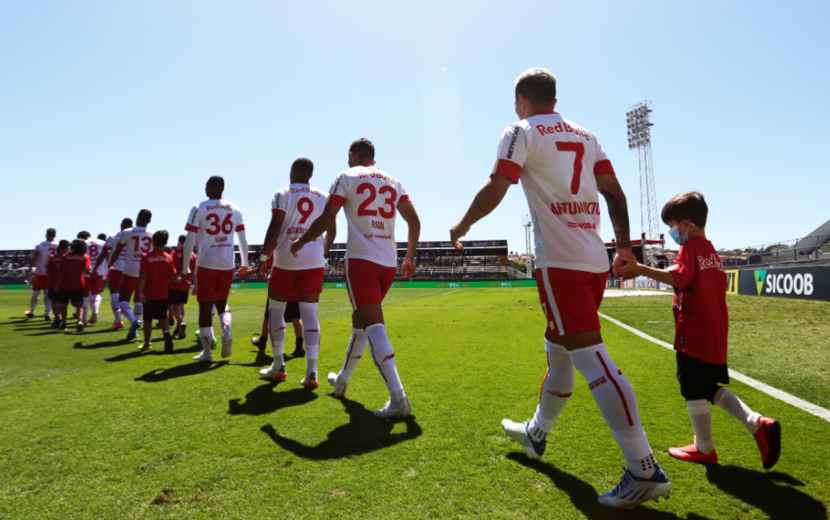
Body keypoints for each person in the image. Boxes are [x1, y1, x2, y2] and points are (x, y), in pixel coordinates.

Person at [449, 68, 671, 509]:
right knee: (559, 348)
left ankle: (643, 468)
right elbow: (614, 191)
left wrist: (463, 223)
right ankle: (536, 433)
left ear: (522, 100)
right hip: (592, 261)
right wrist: (623, 246)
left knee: (592, 358)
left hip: (562, 264)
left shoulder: (519, 131)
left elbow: (498, 186)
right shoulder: (588, 136)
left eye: (517, 103)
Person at [618, 191, 781, 470]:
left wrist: (641, 269)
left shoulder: (690, 247)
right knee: (706, 388)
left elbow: (677, 277)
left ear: (685, 225)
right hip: (715, 331)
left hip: (693, 332)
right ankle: (757, 424)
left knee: (692, 387)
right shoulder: (711, 250)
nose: (671, 232)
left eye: (671, 226)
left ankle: (705, 447)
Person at [292, 138, 420, 418]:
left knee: (374, 326)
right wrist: (408, 257)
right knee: (360, 323)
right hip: (388, 264)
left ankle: (399, 399)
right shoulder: (394, 181)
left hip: (361, 261)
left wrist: (302, 242)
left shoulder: (345, 176)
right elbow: (414, 220)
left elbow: (327, 218)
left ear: (352, 155)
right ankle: (342, 380)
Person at [254, 158, 335, 387]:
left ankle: (278, 366)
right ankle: (311, 373)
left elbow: (275, 226)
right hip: (313, 263)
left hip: (286, 262)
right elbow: (332, 229)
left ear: (296, 171)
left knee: (276, 312)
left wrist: (262, 259)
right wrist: (321, 252)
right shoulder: (322, 196)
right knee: (310, 316)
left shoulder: (282, 192)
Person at [181, 176, 248, 362]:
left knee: (204, 308)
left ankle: (207, 353)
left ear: (210, 187)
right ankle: (226, 331)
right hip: (227, 264)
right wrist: (244, 264)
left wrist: (186, 266)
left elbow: (190, 239)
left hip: (206, 263)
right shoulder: (235, 208)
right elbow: (243, 238)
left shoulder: (198, 207)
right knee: (222, 303)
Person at [250, 245, 305, 357]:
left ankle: (263, 342)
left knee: (269, 315)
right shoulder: (300, 244)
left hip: (279, 285)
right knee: (296, 317)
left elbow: (266, 265)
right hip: (295, 285)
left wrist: (248, 273)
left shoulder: (279, 244)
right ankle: (299, 347)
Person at [107, 211, 154, 341]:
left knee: (123, 301)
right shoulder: (153, 233)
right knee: (139, 300)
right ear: (149, 221)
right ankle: (135, 331)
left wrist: (109, 265)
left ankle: (133, 321)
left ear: (137, 218)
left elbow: (117, 250)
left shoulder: (127, 232)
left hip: (130, 270)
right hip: (145, 271)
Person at [137, 231, 179, 352]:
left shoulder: (146, 257)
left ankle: (147, 342)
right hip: (163, 292)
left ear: (152, 241)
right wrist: (177, 280)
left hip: (149, 293)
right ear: (166, 243)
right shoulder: (168, 257)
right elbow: (174, 276)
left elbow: (143, 276)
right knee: (162, 316)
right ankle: (166, 332)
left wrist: (139, 292)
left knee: (147, 318)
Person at [55, 239, 92, 332]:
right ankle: (79, 321)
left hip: (65, 284)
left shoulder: (65, 257)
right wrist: (93, 273)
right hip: (78, 283)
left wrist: (57, 284)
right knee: (79, 304)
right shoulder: (85, 257)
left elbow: (61, 271)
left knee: (64, 304)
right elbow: (86, 270)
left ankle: (64, 324)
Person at [25, 228, 58, 320]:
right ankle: (47, 312)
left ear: (46, 235)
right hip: (51, 273)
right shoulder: (58, 245)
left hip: (40, 272)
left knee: (36, 293)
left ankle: (32, 312)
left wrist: (29, 270)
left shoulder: (40, 245)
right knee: (48, 293)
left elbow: (35, 258)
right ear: (55, 236)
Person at [169, 234, 196, 339]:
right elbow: (195, 271)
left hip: (175, 283)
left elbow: (170, 267)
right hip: (187, 284)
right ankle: (177, 327)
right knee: (181, 306)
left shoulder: (174, 253)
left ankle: (180, 322)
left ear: (179, 243)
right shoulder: (193, 256)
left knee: (175, 306)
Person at [84, 233, 108, 325]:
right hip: (100, 270)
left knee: (85, 295)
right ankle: (95, 310)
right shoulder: (102, 242)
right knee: (97, 292)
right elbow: (107, 255)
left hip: (86, 270)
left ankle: (83, 320)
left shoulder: (84, 242)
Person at [45, 240, 70, 329]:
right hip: (64, 283)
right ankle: (61, 319)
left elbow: (48, 271)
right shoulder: (67, 258)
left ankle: (57, 316)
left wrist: (48, 281)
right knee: (61, 302)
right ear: (67, 249)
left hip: (53, 282)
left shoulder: (52, 258)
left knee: (54, 301)